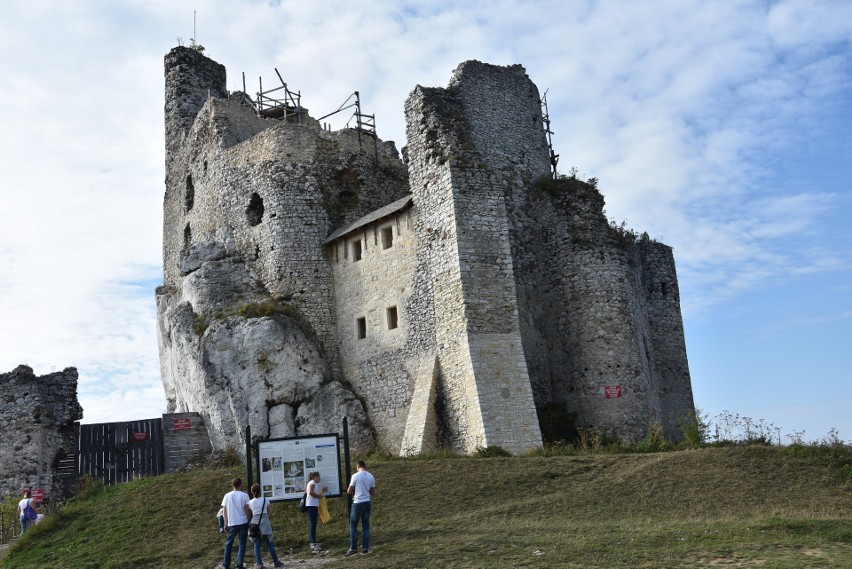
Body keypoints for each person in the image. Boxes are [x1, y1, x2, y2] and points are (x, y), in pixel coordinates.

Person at [248, 483, 284, 568]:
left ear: (252, 492)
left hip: (254, 523)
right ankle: (276, 562)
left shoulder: (250, 502)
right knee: (269, 543)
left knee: (256, 545)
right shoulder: (265, 500)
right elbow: (270, 511)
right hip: (264, 521)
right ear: (260, 491)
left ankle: (259, 564)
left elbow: (249, 514)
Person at [345, 460, 376, 556]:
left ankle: (353, 548)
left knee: (353, 526)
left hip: (358, 502)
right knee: (365, 526)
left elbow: (349, 491)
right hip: (367, 502)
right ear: (364, 466)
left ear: (357, 467)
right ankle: (365, 548)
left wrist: (352, 488)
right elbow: (373, 492)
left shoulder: (355, 476)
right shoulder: (371, 476)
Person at [221, 477, 252, 569]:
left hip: (232, 522)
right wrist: (249, 519)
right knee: (242, 543)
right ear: (241, 485)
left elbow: (224, 510)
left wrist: (225, 522)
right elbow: (247, 509)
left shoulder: (227, 495)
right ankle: (239, 564)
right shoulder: (244, 495)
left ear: (232, 485)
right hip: (243, 522)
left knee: (229, 543)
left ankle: (226, 564)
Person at [304, 471, 327, 552]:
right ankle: (313, 543)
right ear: (315, 476)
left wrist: (322, 492)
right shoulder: (312, 482)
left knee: (313, 524)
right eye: (319, 476)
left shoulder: (313, 483)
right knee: (313, 524)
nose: (320, 478)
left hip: (313, 505)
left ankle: (313, 542)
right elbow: (310, 492)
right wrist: (320, 496)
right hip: (311, 506)